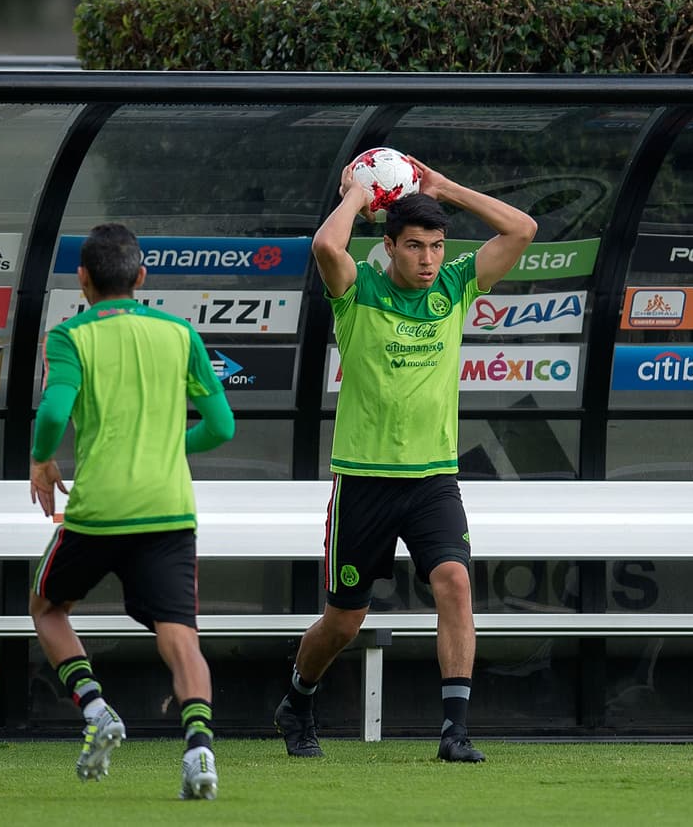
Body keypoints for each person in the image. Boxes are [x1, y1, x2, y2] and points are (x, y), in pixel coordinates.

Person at [274, 156, 536, 763]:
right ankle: (298, 698)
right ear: (387, 246)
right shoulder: (356, 291)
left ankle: (455, 731)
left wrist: (446, 187)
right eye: (414, 246)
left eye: (437, 246)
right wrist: (357, 195)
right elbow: (324, 245)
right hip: (364, 482)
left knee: (455, 583)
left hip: (433, 480)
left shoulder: (456, 285)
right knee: (343, 622)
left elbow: (521, 230)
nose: (427, 260)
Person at [28, 222, 236, 800]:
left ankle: (95, 708)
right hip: (169, 510)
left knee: (47, 606)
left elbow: (52, 414)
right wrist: (169, 446)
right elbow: (222, 426)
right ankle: (199, 752)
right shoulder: (179, 332)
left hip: (99, 511)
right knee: (181, 636)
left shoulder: (70, 336)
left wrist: (42, 461)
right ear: (142, 278)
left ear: (84, 280)